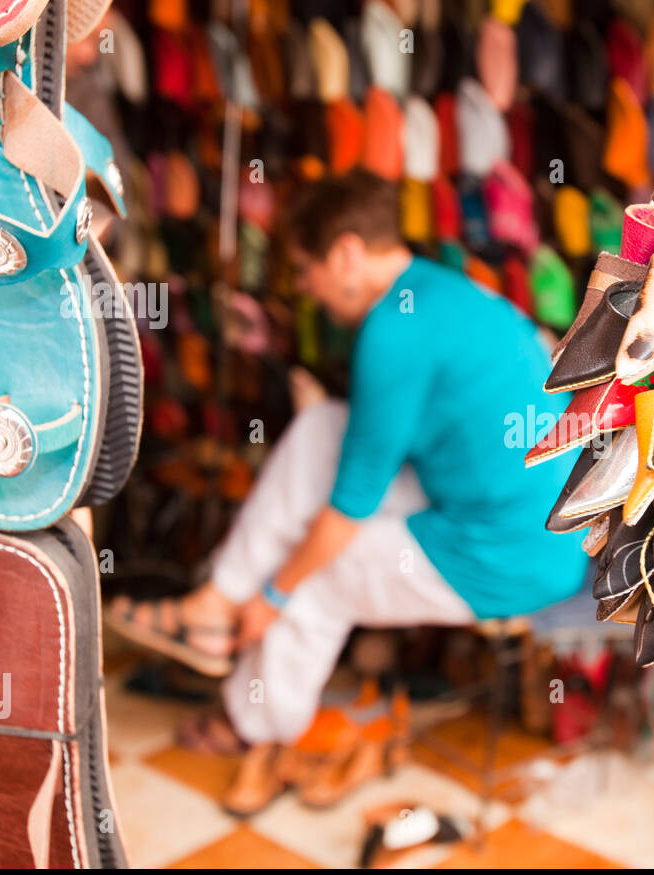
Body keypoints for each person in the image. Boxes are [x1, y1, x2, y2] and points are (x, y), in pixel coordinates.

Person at [109, 171, 587, 814]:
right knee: (319, 428)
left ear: (347, 253)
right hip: (522, 518)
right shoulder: (445, 288)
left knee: (316, 574)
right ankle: (215, 604)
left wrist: (275, 595)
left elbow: (348, 511)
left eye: (306, 269)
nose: (303, 288)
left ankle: (255, 728)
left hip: (511, 557)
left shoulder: (393, 331)